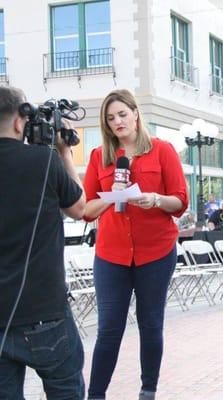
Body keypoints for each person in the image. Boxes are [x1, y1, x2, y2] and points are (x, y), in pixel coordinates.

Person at [83, 89, 188, 400]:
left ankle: (148, 391)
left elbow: (180, 202)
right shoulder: (98, 157)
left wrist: (154, 199)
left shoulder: (162, 150)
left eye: (122, 114)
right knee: (108, 329)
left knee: (150, 324)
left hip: (155, 252)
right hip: (111, 255)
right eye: (111, 118)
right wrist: (112, 196)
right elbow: (86, 210)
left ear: (136, 113)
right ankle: (96, 395)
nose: (117, 121)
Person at [0, 86, 86, 399]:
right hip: (44, 313)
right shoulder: (43, 161)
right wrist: (64, 152)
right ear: (20, 121)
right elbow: (80, 208)